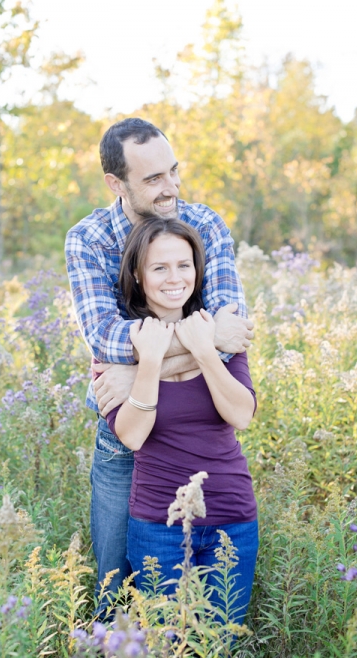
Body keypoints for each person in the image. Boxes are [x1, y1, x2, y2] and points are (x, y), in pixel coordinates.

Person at [65, 118, 254, 611]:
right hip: (125, 433)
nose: (170, 187)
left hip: (197, 430)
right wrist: (193, 342)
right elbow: (106, 337)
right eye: (153, 179)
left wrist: (139, 367)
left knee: (213, 596)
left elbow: (232, 334)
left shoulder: (204, 224)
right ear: (116, 183)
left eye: (173, 171)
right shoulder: (88, 239)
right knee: (114, 582)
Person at [106, 217, 258, 626]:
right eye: (159, 268)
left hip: (233, 518)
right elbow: (133, 436)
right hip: (159, 525)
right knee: (165, 644)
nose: (175, 277)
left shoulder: (219, 331)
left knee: (218, 644)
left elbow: (241, 414)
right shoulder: (117, 348)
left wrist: (204, 349)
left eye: (184, 265)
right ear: (138, 277)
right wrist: (151, 359)